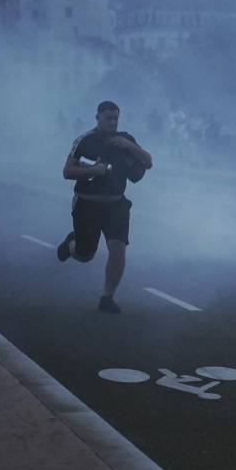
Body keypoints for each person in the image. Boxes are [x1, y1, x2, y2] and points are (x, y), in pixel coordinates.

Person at [57, 101, 153, 314]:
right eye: (108, 118)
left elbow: (148, 162)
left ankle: (107, 297)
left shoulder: (126, 139)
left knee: (118, 249)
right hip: (87, 204)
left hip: (116, 205)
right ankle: (70, 244)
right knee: (85, 255)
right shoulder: (85, 141)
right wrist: (93, 170)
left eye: (115, 118)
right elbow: (67, 171)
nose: (112, 122)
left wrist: (129, 146)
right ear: (97, 117)